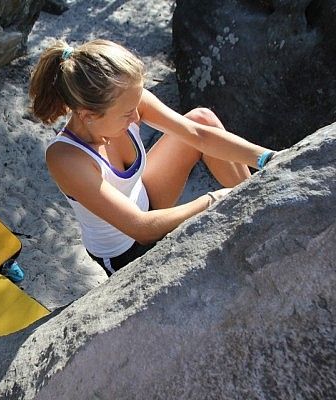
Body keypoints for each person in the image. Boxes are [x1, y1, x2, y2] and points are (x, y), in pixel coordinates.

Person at [29, 39, 277, 277]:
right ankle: (250, 202)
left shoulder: (127, 100)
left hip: (146, 200)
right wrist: (213, 201)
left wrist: (266, 158)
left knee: (201, 118)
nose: (137, 116)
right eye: (127, 113)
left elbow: (199, 134)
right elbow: (141, 229)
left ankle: (259, 202)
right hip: (128, 248)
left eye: (137, 103)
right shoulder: (66, 157)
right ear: (88, 115)